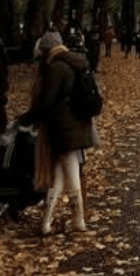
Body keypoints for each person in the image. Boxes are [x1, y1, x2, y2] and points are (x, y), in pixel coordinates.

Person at [28, 37, 98, 235]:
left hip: (63, 129)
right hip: (80, 125)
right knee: (60, 174)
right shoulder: (78, 62)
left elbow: (47, 102)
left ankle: (77, 218)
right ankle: (50, 221)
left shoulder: (56, 68)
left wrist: (27, 118)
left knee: (70, 173)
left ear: (46, 50)